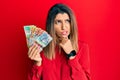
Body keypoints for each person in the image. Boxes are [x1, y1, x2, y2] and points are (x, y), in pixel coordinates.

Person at [28, 3, 90, 80]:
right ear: (51, 25)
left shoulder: (82, 47)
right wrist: (37, 63)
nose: (64, 27)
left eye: (67, 21)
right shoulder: (41, 48)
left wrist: (72, 55)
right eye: (58, 22)